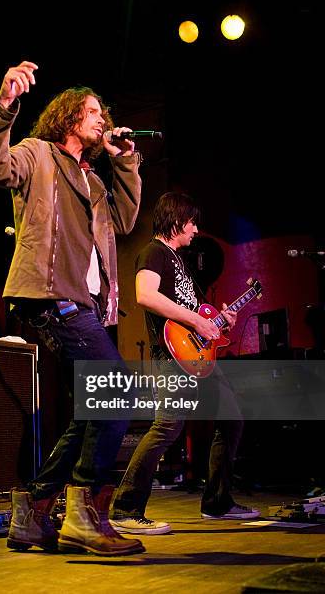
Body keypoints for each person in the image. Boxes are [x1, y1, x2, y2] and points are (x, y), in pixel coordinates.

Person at [0, 61, 144, 555]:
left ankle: (34, 512)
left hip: (84, 303)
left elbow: (126, 222)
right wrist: (5, 105)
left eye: (102, 112)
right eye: (91, 111)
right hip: (48, 294)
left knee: (93, 409)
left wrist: (126, 162)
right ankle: (84, 511)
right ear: (69, 117)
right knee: (118, 393)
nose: (100, 117)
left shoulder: (92, 179)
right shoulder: (39, 154)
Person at [110, 191, 260, 535]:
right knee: (167, 427)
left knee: (232, 417)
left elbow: (198, 314)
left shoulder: (183, 261)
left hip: (198, 356)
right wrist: (196, 322)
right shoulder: (153, 252)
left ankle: (217, 503)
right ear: (176, 220)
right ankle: (124, 508)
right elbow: (146, 296)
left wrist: (218, 320)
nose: (195, 229)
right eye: (192, 222)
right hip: (172, 356)